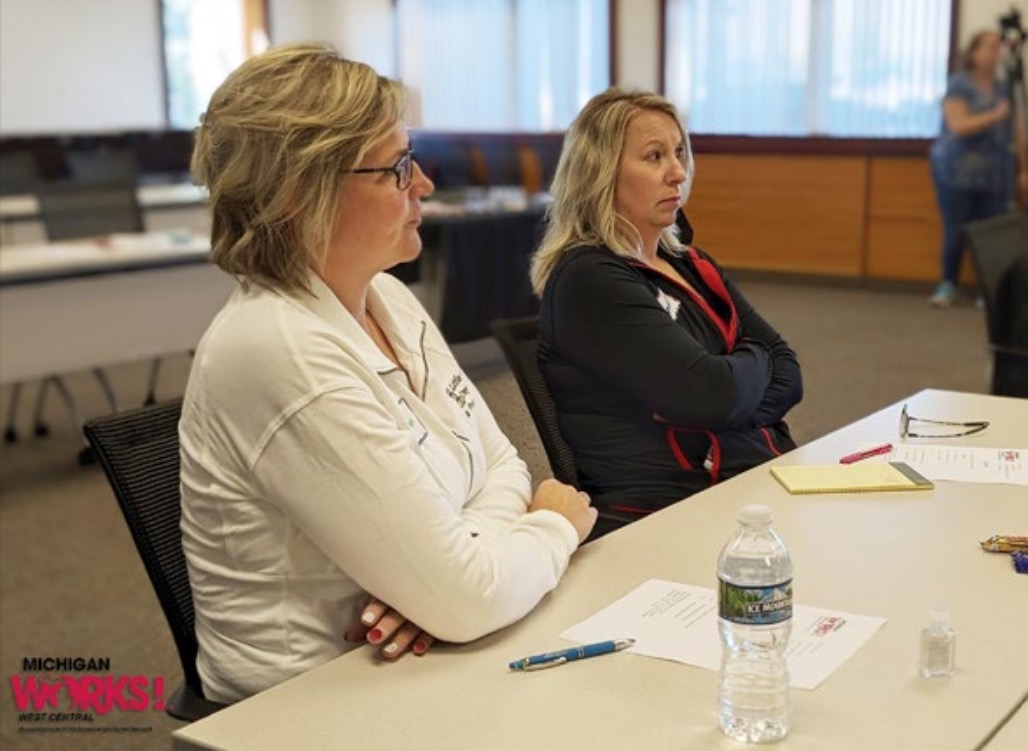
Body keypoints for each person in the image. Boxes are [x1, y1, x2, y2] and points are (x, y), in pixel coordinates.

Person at [180, 43, 596, 704]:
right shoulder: (279, 348)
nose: (423, 185)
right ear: (299, 192)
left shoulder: (388, 298)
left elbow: (501, 467)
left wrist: (444, 578)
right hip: (308, 702)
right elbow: (470, 595)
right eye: (396, 168)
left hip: (424, 657)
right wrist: (552, 526)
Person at [530, 88, 802, 540]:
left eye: (678, 153)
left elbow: (789, 372)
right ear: (600, 172)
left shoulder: (691, 264)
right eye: (653, 156)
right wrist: (740, 380)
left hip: (743, 488)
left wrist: (731, 398)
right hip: (666, 515)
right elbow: (714, 394)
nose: (677, 173)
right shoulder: (590, 278)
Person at [929, 29, 1027, 308]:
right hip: (957, 171)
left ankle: (990, 289)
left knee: (992, 232)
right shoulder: (959, 85)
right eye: (989, 47)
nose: (995, 52)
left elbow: (1016, 130)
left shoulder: (1004, 87)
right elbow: (958, 125)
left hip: (997, 171)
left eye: (999, 47)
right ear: (973, 53)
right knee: (956, 229)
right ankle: (948, 284)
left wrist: (1023, 170)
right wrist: (995, 115)